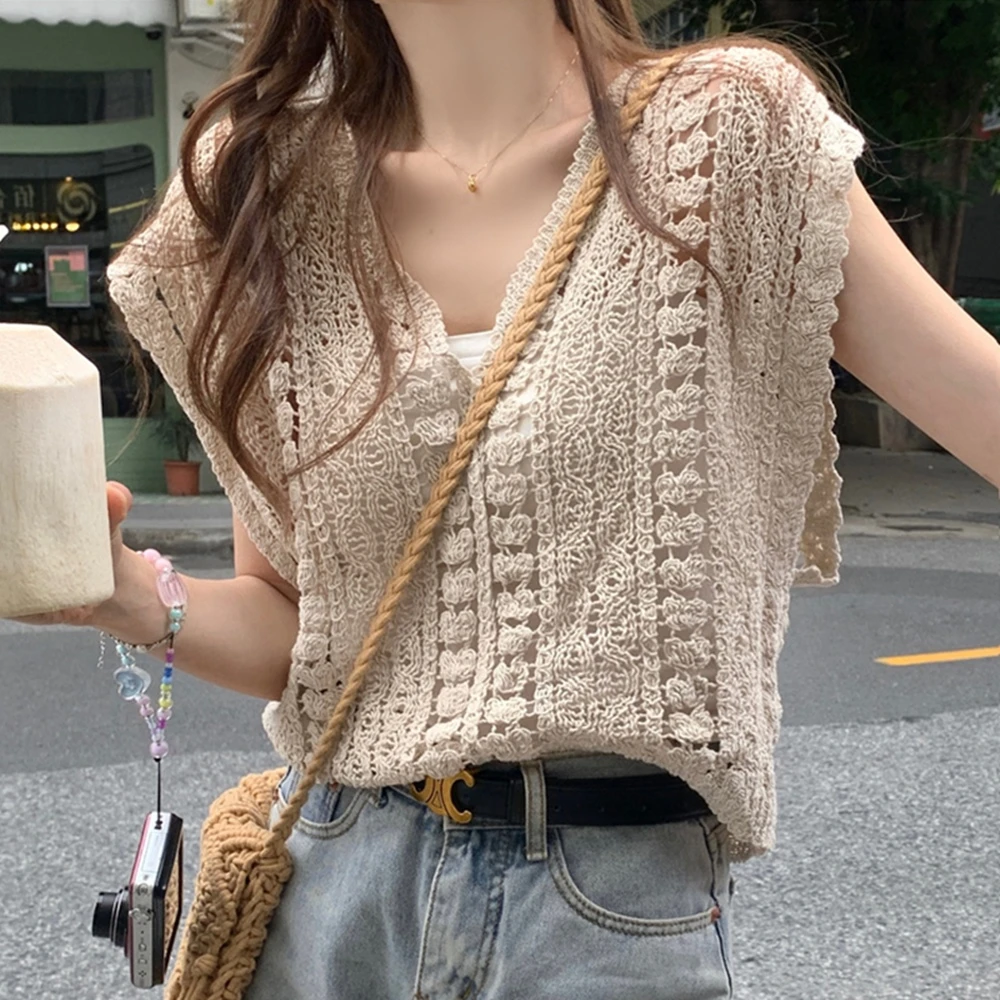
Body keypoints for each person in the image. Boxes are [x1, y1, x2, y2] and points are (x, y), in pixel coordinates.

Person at [13, 1, 1000, 997]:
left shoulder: (731, 136)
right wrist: (127, 596)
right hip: (337, 891)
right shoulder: (264, 191)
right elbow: (296, 627)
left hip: (605, 904)